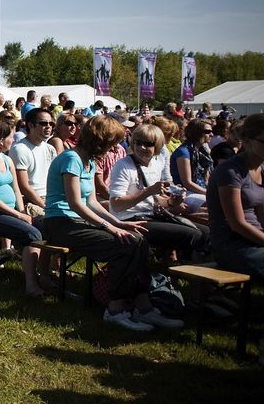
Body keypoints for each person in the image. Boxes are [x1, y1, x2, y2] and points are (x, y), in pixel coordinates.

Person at [42, 115, 183, 332]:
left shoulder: (87, 161)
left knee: (139, 240)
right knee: (124, 246)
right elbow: (76, 203)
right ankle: (116, 309)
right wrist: (110, 227)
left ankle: (143, 307)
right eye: (112, 142)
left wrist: (119, 223)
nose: (115, 147)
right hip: (61, 224)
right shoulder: (72, 159)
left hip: (77, 221)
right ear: (100, 141)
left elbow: (92, 202)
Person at [0, 119, 52, 291]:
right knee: (32, 234)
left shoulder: (6, 160)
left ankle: (45, 276)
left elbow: (16, 190)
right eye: (11, 137)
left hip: (10, 211)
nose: (13, 140)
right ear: (1, 140)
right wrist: (19, 216)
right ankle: (31, 284)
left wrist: (23, 211)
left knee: (47, 227)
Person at [109, 123, 209, 261]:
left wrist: (172, 201)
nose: (141, 147)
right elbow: (116, 205)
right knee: (193, 235)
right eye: (138, 143)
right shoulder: (123, 165)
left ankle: (185, 272)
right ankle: (185, 273)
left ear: (157, 146)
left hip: (151, 216)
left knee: (206, 232)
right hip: (130, 219)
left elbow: (154, 202)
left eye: (148, 144)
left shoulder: (156, 163)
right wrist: (148, 191)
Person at [205, 113, 264, 279]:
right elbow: (238, 224)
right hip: (233, 247)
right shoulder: (230, 171)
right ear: (248, 141)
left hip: (256, 240)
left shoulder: (262, 169)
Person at [10, 108, 57, 216]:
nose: (49, 126)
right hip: (31, 201)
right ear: (30, 125)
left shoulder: (50, 149)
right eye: (43, 123)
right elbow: (24, 186)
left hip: (51, 198)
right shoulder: (20, 149)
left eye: (51, 123)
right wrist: (47, 206)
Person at [171, 118, 213, 212]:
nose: (211, 134)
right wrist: (210, 193)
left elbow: (207, 178)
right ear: (197, 133)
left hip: (200, 189)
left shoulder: (202, 152)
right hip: (185, 192)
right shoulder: (183, 152)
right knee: (213, 203)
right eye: (207, 131)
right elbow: (187, 183)